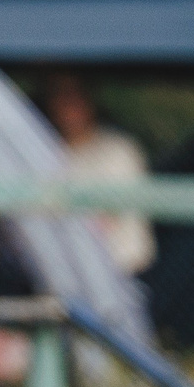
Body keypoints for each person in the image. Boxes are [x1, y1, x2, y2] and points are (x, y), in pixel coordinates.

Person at [44, 72, 153, 277]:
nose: (69, 105)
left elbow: (104, 218)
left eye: (74, 95)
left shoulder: (120, 149)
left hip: (124, 273)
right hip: (72, 278)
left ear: (89, 99)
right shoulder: (46, 153)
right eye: (60, 96)